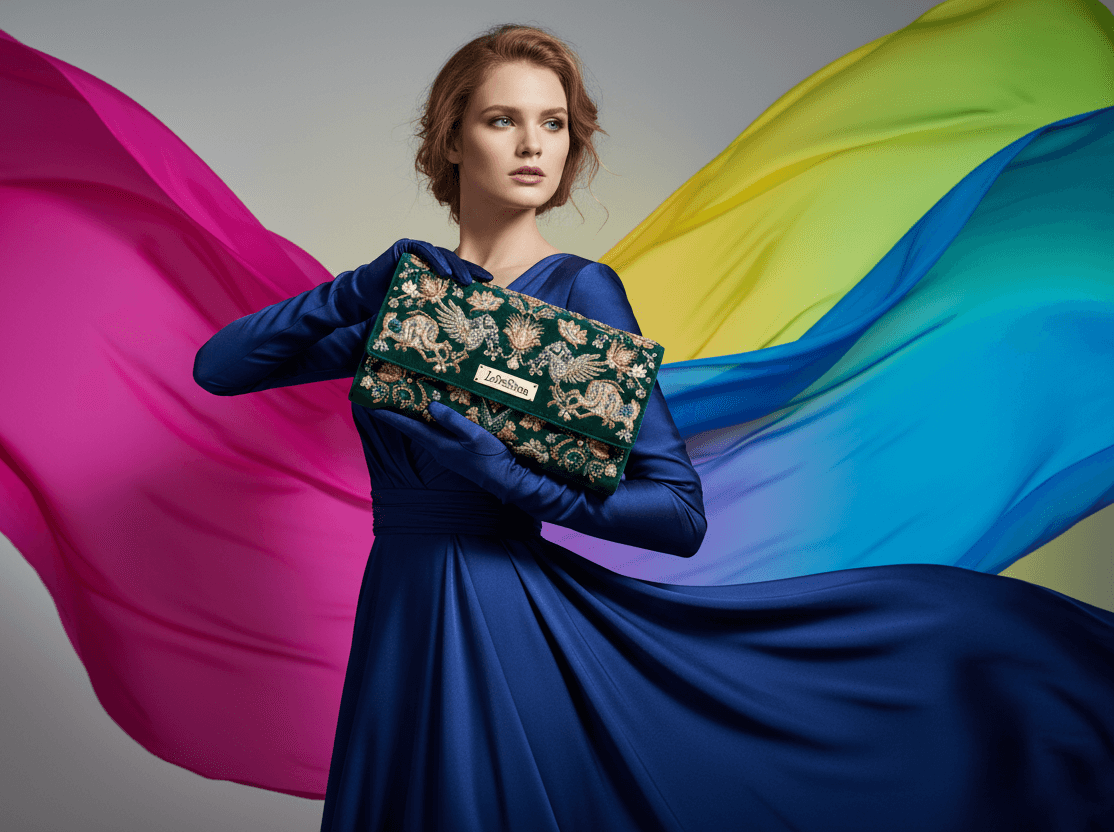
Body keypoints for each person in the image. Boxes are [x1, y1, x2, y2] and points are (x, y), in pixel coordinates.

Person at [194, 24, 1114, 832]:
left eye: (552, 123)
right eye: (503, 119)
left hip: (505, 616)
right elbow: (223, 367)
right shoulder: (412, 308)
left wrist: (505, 477)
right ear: (451, 139)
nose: (533, 145)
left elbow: (676, 515)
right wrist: (360, 285)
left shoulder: (581, 293)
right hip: (399, 609)